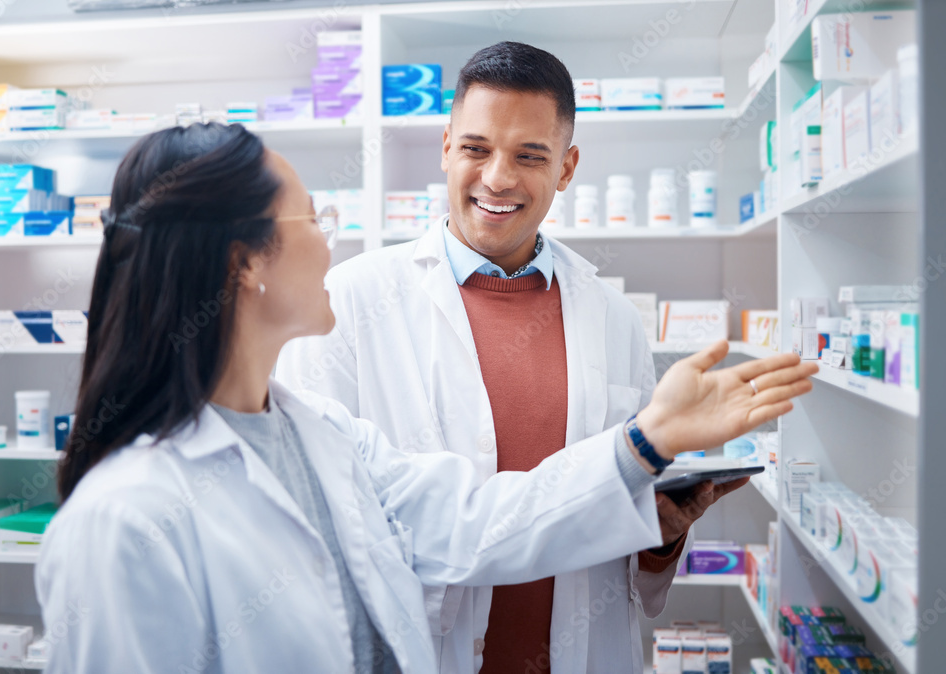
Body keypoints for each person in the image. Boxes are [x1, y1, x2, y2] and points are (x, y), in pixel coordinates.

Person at [36, 122, 815, 674]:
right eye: (313, 216)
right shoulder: (125, 522)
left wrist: (650, 440)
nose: (331, 237)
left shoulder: (324, 436)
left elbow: (479, 521)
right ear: (246, 264)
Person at [276, 42, 789, 674]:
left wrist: (662, 531)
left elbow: (622, 539)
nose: (497, 177)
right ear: (445, 146)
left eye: (529, 156)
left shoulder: (614, 319)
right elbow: (326, 532)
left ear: (567, 168)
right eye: (476, 148)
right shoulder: (350, 303)